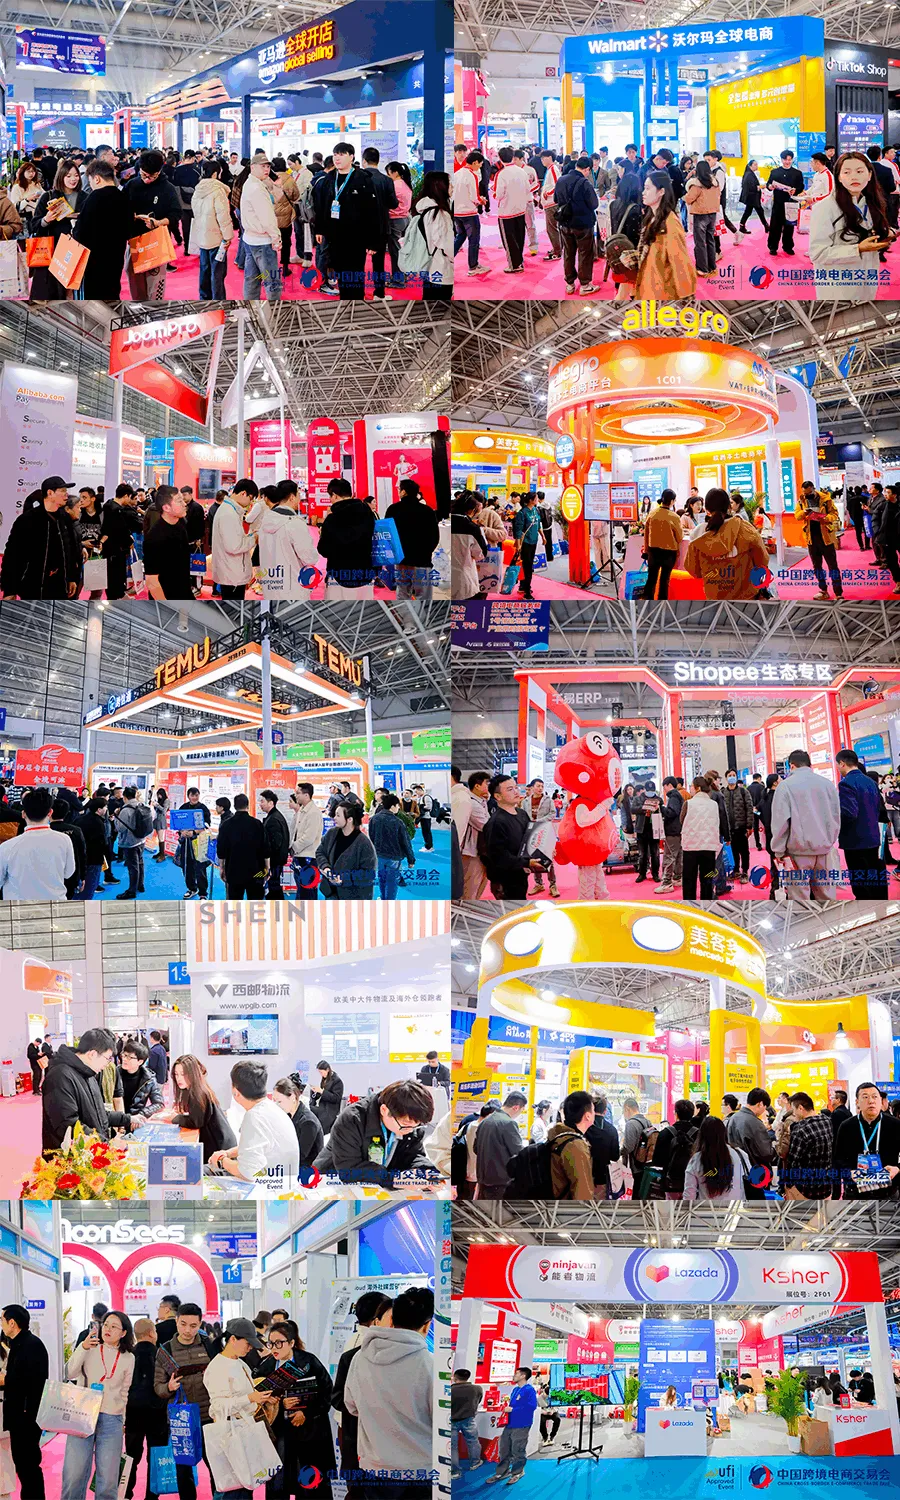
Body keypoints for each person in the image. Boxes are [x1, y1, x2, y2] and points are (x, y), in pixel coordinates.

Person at [343, 1286, 434, 1483]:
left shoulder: (359, 1358)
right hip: (419, 1471)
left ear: (391, 1320)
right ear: (427, 1326)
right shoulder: (430, 1364)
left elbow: (351, 1406)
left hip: (374, 1469)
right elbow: (439, 1419)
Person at [61, 1309, 135, 1500]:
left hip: (112, 1418)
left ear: (124, 1333)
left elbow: (125, 1392)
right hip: (83, 1414)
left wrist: (123, 1420)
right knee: (74, 1473)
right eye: (106, 1325)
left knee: (108, 1478)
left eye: (114, 1326)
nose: (108, 1329)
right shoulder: (90, 1348)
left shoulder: (128, 1358)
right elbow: (69, 1373)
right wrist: (83, 1347)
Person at [258, 1318, 334, 1498]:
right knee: (278, 1485)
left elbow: (327, 1392)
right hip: (280, 1435)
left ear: (291, 1343)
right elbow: (259, 1402)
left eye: (279, 1343)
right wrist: (279, 1404)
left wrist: (306, 1413)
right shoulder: (265, 1367)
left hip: (310, 1432)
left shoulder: (308, 1362)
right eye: (270, 1343)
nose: (274, 1348)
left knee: (311, 1485)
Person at [314, 1080, 437, 1191]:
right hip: (331, 1181)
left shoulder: (411, 1125)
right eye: (405, 1125)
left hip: (379, 1184)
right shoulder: (352, 1119)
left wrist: (425, 1171)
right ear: (384, 1110)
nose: (410, 1131)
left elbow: (413, 1155)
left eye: (417, 1126)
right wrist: (394, 1179)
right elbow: (349, 1169)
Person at [203, 1319, 278, 1497]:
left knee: (245, 1485)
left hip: (244, 1431)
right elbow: (218, 1406)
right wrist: (250, 1398)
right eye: (247, 1343)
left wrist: (261, 1399)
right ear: (233, 1339)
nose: (250, 1348)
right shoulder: (218, 1367)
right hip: (230, 1434)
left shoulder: (241, 1363)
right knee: (233, 1488)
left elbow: (246, 1397)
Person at [809, 151, 892, 301]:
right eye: (847, 172)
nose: (854, 177)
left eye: (859, 171)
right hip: (838, 286)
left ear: (869, 175)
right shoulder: (825, 207)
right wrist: (858, 249)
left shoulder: (871, 204)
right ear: (839, 177)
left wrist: (884, 236)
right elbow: (817, 253)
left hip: (867, 280)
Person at [41, 1027, 136, 1150]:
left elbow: (98, 1113)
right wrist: (107, 1144)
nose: (107, 1065)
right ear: (92, 1054)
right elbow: (69, 1125)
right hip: (71, 1156)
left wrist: (128, 1119)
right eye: (107, 1059)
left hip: (92, 1151)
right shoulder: (60, 1077)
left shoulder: (89, 1074)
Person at [207, 1061, 299, 1187]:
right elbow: (255, 1147)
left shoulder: (254, 1117)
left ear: (235, 1092)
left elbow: (247, 1173)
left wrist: (221, 1161)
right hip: (283, 1182)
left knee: (202, 1175)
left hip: (270, 1187)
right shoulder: (271, 1108)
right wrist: (228, 1153)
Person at [769, 748, 841, 902]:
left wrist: (779, 851)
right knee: (827, 898)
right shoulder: (827, 784)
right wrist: (830, 840)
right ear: (809, 764)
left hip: (798, 854)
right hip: (825, 851)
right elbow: (836, 817)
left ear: (791, 766)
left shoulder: (785, 786)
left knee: (799, 900)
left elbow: (780, 823)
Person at [314, 142, 380, 300]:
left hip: (356, 238)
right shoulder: (329, 178)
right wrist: (320, 229)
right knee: (341, 274)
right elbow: (322, 206)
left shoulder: (363, 179)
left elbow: (373, 211)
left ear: (351, 157)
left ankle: (356, 301)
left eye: (342, 154)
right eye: (335, 154)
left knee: (355, 275)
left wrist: (373, 241)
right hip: (335, 237)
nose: (337, 158)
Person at [0, 474, 81, 599]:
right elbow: (13, 555)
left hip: (60, 585)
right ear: (50, 493)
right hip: (33, 586)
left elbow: (71, 550)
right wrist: (9, 589)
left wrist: (72, 578)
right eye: (62, 491)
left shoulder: (65, 519)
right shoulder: (27, 519)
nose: (66, 494)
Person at [1, 1305, 49, 1500]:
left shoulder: (30, 1345)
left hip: (26, 1417)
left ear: (12, 1323)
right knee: (24, 1466)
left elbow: (28, 1381)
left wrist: (5, 1379)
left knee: (28, 1466)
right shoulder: (20, 1344)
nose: (2, 1325)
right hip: (21, 1416)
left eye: (2, 1320)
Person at [685, 488, 769, 599]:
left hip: (714, 597)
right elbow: (762, 560)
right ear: (729, 506)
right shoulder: (745, 528)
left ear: (707, 510)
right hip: (746, 596)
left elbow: (693, 570)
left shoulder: (697, 534)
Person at [122, 151, 181, 299]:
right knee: (134, 283)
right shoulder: (132, 185)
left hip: (156, 241)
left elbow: (176, 214)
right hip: (135, 241)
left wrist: (158, 222)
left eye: (152, 176)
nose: (147, 180)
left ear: (159, 171)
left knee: (155, 287)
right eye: (144, 175)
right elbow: (120, 207)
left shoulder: (167, 188)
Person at [836, 748, 888, 899]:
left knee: (861, 884)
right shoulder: (871, 782)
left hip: (855, 841)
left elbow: (849, 813)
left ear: (842, 763)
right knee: (874, 879)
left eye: (838, 765)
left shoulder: (846, 783)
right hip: (873, 837)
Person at [634, 170, 696, 299]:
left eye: (647, 188)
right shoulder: (651, 217)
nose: (643, 193)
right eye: (644, 188)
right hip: (647, 284)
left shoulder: (670, 222)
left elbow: (680, 262)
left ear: (661, 191)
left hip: (661, 290)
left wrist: (687, 296)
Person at [124, 1318, 167, 1500]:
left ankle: (125, 1493)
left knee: (131, 1456)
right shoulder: (161, 1355)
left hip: (133, 1413)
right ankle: (151, 1497)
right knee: (155, 1457)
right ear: (151, 1333)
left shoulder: (129, 1356)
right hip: (157, 1414)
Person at [834, 1081, 900, 1199]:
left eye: (875, 1097)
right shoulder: (847, 1126)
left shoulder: (895, 1125)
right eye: (865, 1097)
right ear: (857, 1102)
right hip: (855, 1193)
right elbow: (838, 1159)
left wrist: (897, 1168)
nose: (871, 1101)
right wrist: (849, 1172)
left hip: (888, 1193)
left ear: (881, 1101)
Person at [317, 477, 376, 598]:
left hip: (339, 577)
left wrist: (323, 535)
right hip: (365, 574)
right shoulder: (368, 513)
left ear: (335, 495)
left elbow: (324, 550)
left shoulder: (332, 519)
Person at [385, 479, 440, 600]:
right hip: (422, 560)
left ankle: (403, 612)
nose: (398, 491)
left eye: (399, 489)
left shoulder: (393, 509)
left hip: (401, 560)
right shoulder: (428, 511)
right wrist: (426, 552)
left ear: (403, 492)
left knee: (402, 593)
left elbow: (387, 535)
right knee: (424, 596)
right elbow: (435, 537)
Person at [553, 155, 600, 295]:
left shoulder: (561, 180)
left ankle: (570, 283)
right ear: (587, 169)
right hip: (583, 224)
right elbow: (594, 204)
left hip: (565, 223)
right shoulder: (585, 183)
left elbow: (556, 199)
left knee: (568, 253)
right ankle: (585, 284)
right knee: (585, 253)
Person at [485, 1367, 537, 1486]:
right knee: (504, 1449)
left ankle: (518, 1472)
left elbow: (531, 1406)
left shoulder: (529, 1390)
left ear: (523, 1376)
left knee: (517, 1450)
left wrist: (513, 1410)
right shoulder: (515, 1389)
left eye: (516, 1374)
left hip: (522, 1424)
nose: (514, 1376)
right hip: (510, 1423)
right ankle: (502, 1472)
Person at [190, 159, 234, 298]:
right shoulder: (218, 191)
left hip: (202, 237)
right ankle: (218, 299)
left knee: (204, 270)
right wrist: (228, 237)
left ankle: (204, 297)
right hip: (216, 239)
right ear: (215, 174)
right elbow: (223, 216)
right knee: (217, 274)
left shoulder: (198, 190)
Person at [315, 801, 376, 900]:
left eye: (338, 815)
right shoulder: (332, 834)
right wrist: (325, 867)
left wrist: (344, 878)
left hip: (354, 896)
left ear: (349, 819)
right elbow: (320, 852)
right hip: (330, 892)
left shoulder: (364, 843)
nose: (334, 818)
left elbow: (369, 873)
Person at [211, 480, 259, 599]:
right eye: (251, 498)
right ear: (243, 493)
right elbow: (234, 546)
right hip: (233, 574)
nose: (250, 503)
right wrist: (254, 538)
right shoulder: (228, 513)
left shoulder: (230, 510)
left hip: (232, 572)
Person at [797, 480, 844, 601]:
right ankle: (823, 590)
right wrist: (804, 513)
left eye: (808, 493)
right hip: (811, 538)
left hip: (826, 538)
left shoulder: (826, 499)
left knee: (833, 566)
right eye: (804, 493)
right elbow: (797, 516)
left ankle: (838, 593)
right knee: (817, 567)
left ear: (813, 489)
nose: (806, 495)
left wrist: (825, 518)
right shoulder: (801, 500)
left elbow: (835, 514)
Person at [782, 1092, 833, 1201]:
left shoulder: (800, 1129)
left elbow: (793, 1161)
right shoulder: (827, 1121)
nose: (793, 1114)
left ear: (800, 1108)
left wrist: (787, 1185)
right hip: (826, 1187)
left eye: (793, 1110)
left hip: (805, 1189)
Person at [214, 792, 266, 899]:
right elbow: (265, 847)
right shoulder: (257, 824)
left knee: (235, 900)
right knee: (256, 900)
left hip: (233, 869)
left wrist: (222, 867)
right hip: (256, 870)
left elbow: (221, 850)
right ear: (248, 806)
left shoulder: (226, 825)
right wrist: (267, 867)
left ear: (234, 806)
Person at [546, 1090, 595, 1200]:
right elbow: (582, 1192)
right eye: (593, 1110)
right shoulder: (575, 1146)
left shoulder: (558, 1136)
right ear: (587, 1116)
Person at [725, 1087, 775, 1194]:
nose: (764, 1111)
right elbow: (766, 1153)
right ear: (760, 1104)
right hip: (756, 1174)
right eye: (765, 1107)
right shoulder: (755, 1123)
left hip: (736, 1172)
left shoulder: (733, 1118)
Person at [653, 1099, 699, 1200]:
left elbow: (657, 1161)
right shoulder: (699, 1134)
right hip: (693, 1183)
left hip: (670, 1183)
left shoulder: (665, 1133)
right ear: (692, 1114)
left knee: (672, 1209)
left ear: (676, 1114)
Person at [641, 489, 682, 599]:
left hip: (653, 551)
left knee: (651, 579)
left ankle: (646, 601)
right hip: (669, 553)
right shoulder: (674, 517)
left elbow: (646, 534)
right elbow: (680, 537)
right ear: (672, 501)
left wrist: (646, 550)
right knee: (664, 581)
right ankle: (662, 603)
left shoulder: (652, 514)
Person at [766, 149, 805, 257]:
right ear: (781, 160)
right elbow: (769, 184)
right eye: (785, 160)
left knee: (789, 226)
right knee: (775, 226)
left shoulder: (797, 173)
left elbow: (801, 186)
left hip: (791, 203)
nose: (787, 162)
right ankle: (773, 247)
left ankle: (788, 247)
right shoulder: (775, 172)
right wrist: (770, 186)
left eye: (789, 160)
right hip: (778, 203)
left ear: (792, 160)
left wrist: (795, 190)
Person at [684, 159, 720, 276]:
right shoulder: (715, 183)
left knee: (700, 242)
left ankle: (702, 268)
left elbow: (689, 199)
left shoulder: (697, 184)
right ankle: (712, 266)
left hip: (700, 215)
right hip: (712, 214)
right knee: (710, 240)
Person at [286, 784, 322, 901]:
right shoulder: (302, 810)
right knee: (301, 891)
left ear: (306, 795)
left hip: (308, 858)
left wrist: (293, 847)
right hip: (300, 856)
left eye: (298, 793)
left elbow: (309, 838)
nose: (296, 796)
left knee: (308, 893)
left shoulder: (313, 812)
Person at [117, 1039, 165, 1118]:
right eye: (124, 1055)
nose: (124, 1059)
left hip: (136, 1119)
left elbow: (159, 1103)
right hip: (116, 1118)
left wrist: (142, 1114)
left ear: (140, 1061)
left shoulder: (149, 1078)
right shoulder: (114, 1074)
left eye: (130, 1057)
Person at [451, 1369, 484, 1479]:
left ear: (455, 1377)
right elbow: (478, 1401)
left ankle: (455, 1471)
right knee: (473, 1441)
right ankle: (475, 1463)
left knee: (452, 1446)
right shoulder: (477, 1389)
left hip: (451, 1420)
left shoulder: (450, 1390)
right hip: (469, 1419)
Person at [259, 789, 291, 900]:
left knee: (273, 888)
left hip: (274, 861)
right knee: (274, 887)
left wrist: (266, 858)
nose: (260, 804)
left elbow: (275, 844)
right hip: (275, 861)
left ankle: (277, 909)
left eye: (262, 801)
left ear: (271, 803)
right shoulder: (274, 816)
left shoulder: (274, 819)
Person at [309, 1061, 344, 1135]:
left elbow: (336, 1098)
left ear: (327, 1070)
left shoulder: (337, 1081)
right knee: (308, 1109)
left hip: (330, 1110)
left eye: (321, 1072)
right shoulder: (325, 1079)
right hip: (322, 1107)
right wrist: (316, 1091)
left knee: (310, 1111)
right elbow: (323, 1093)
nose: (321, 1074)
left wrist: (322, 1091)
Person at [737, 158, 768, 238]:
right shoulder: (749, 175)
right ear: (750, 166)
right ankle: (766, 226)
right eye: (755, 164)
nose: (757, 166)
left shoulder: (749, 173)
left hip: (751, 197)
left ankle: (742, 226)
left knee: (748, 212)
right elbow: (752, 187)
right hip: (752, 197)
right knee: (759, 211)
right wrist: (761, 187)